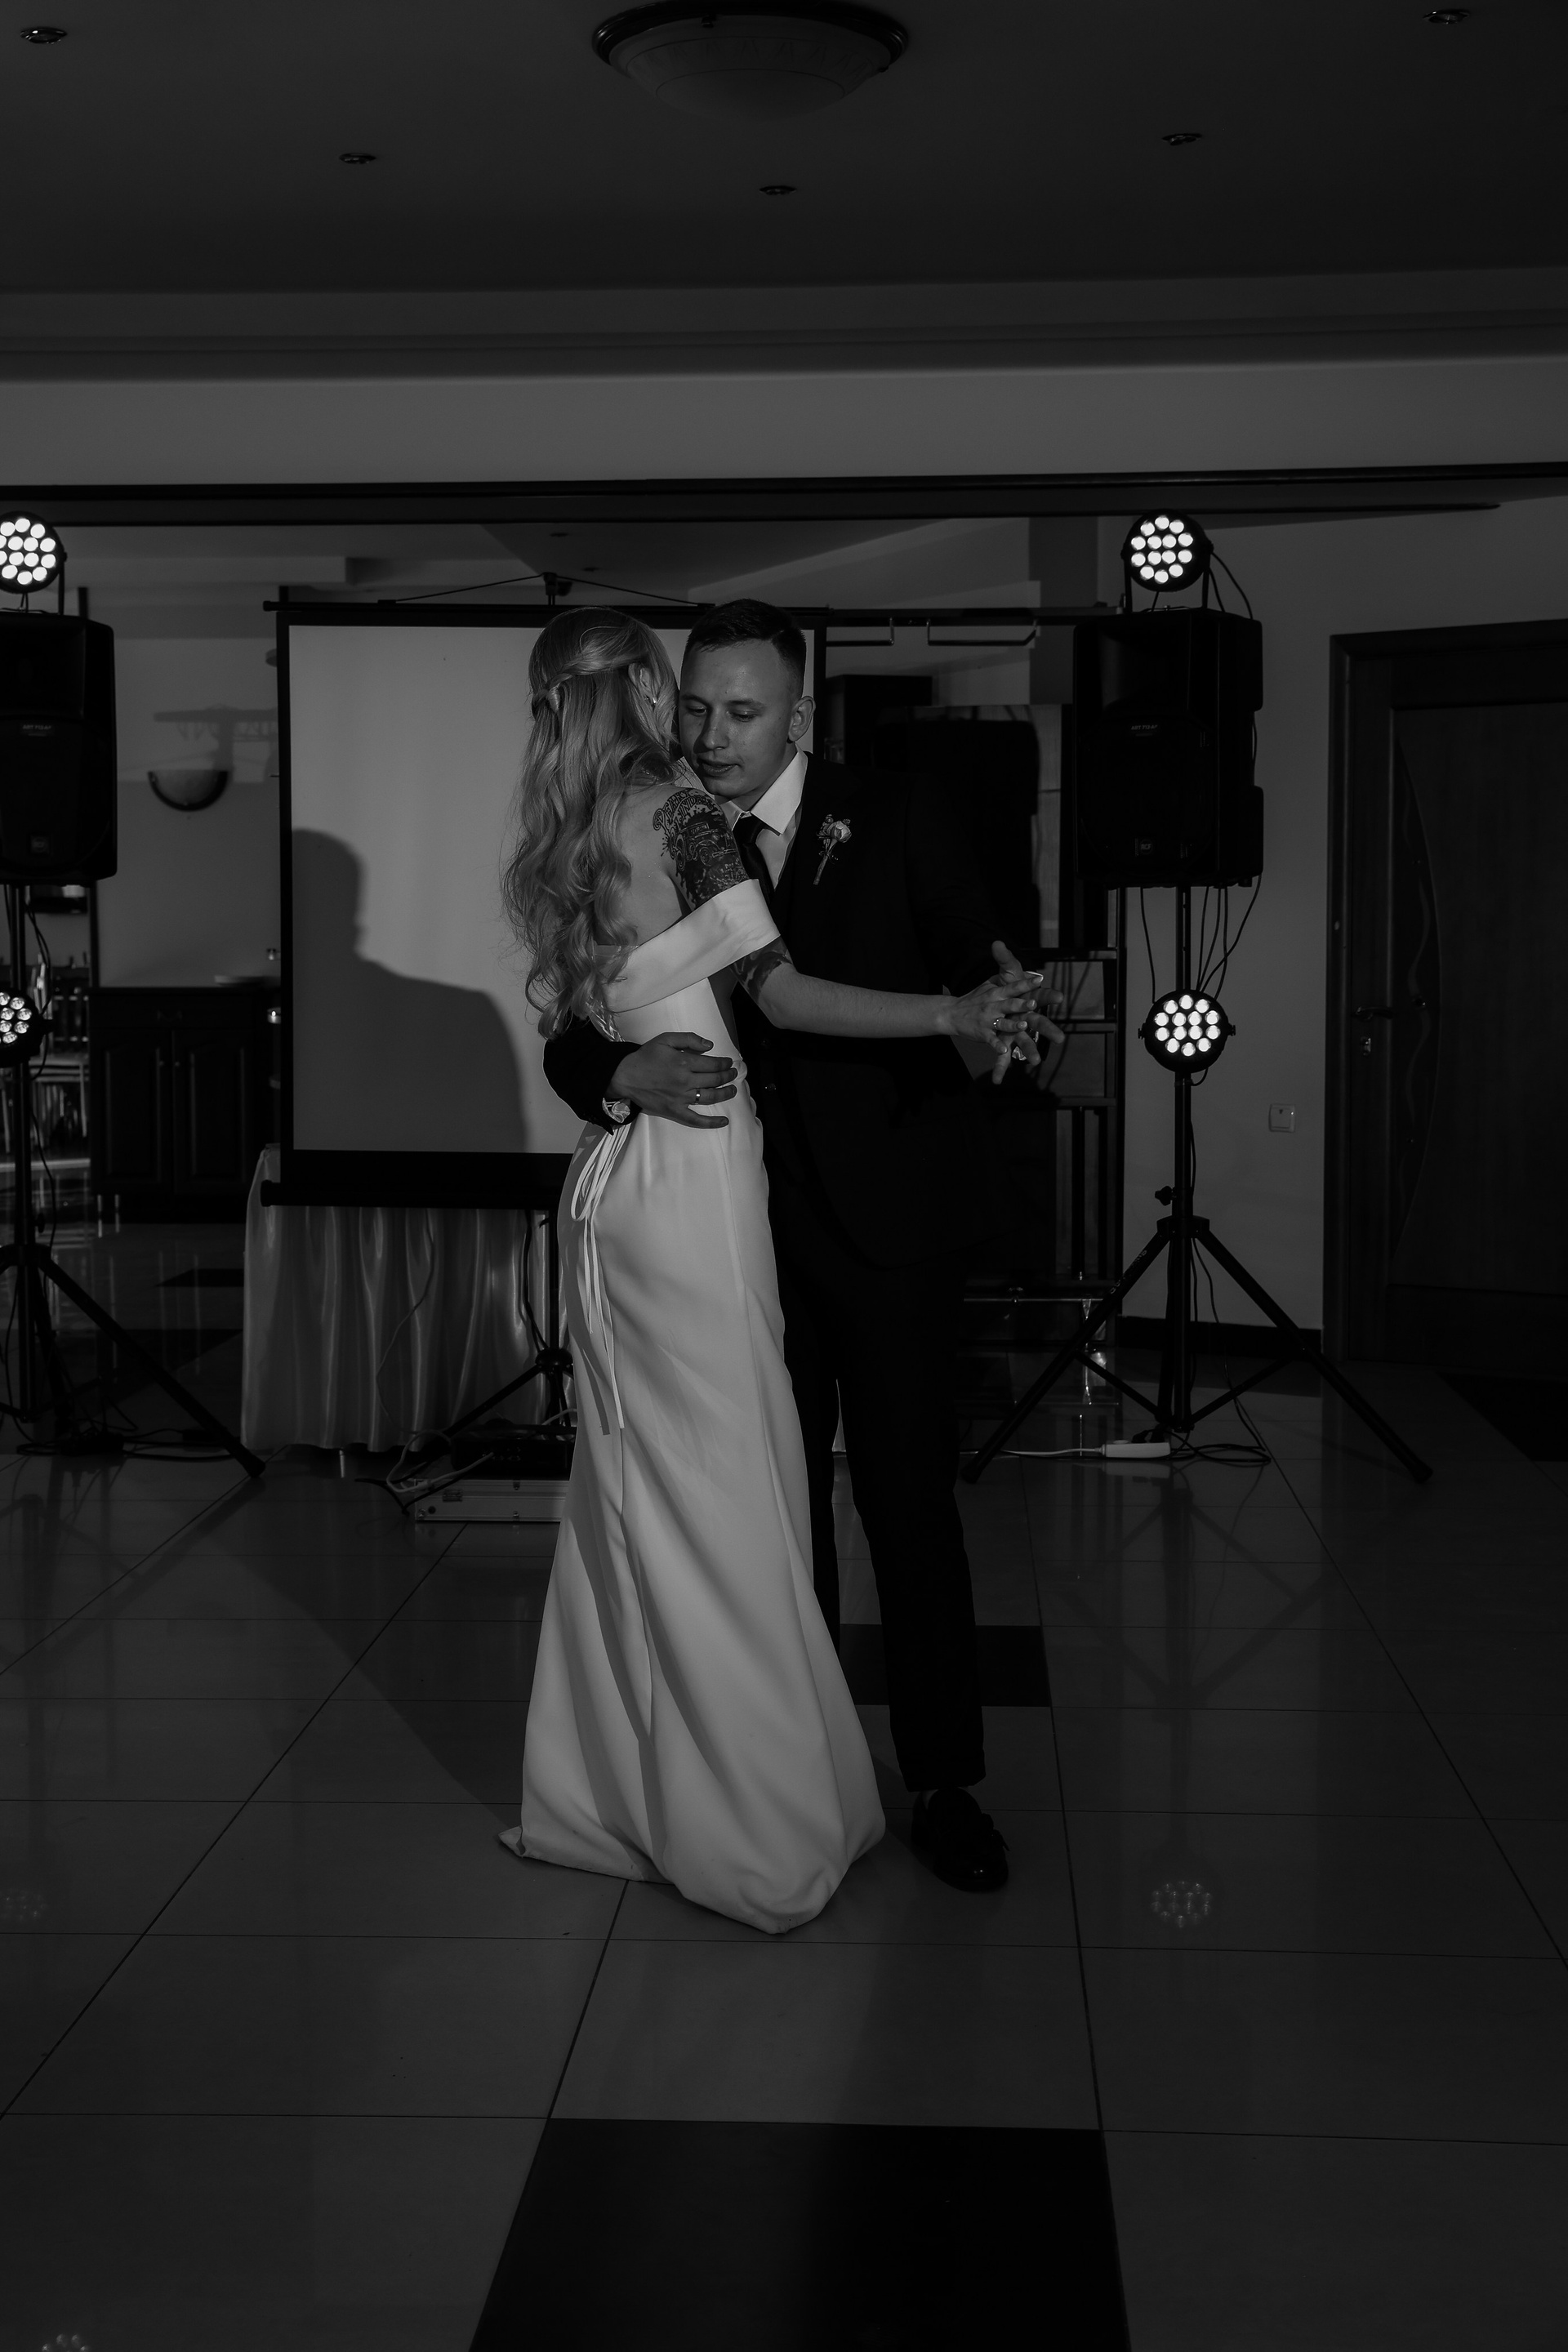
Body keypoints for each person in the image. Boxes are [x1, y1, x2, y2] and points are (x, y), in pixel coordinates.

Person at [501, 608, 1044, 1936]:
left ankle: (936, 1785)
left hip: (873, 1223)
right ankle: (774, 1779)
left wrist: (986, 1011)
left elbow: (977, 955)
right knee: (754, 1510)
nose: (711, 733)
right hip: (719, 1213)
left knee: (898, 1508)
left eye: (740, 713)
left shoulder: (892, 813)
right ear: (656, 695)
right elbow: (587, 1030)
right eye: (694, 706)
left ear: (798, 714)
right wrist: (620, 1067)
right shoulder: (674, 815)